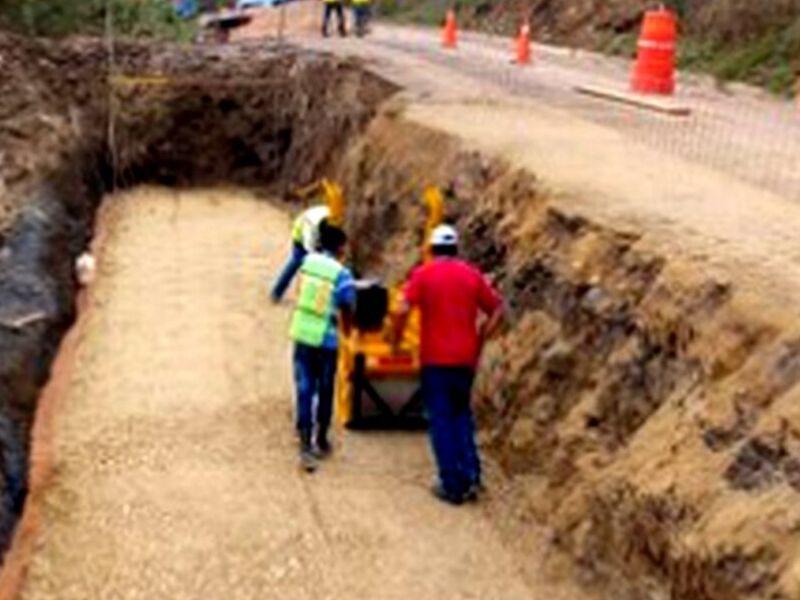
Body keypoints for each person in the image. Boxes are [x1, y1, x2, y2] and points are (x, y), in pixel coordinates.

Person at [394, 224, 504, 505]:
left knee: (441, 421)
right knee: (461, 416)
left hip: (435, 360)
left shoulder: (424, 274)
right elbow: (497, 309)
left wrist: (396, 338)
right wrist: (482, 337)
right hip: (465, 360)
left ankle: (452, 485)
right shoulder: (471, 275)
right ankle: (472, 476)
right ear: (456, 248)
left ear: (432, 249)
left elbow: (401, 309)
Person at [289, 222, 355, 472]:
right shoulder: (342, 274)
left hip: (302, 333)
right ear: (339, 247)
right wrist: (347, 331)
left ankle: (305, 444)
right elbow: (348, 306)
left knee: (304, 388)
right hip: (326, 340)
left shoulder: (307, 263)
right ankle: (321, 440)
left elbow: (300, 291)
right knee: (325, 389)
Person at [271, 204, 330, 303]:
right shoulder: (312, 222)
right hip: (300, 238)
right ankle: (277, 292)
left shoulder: (331, 217)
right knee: (295, 263)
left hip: (317, 236)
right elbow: (309, 247)